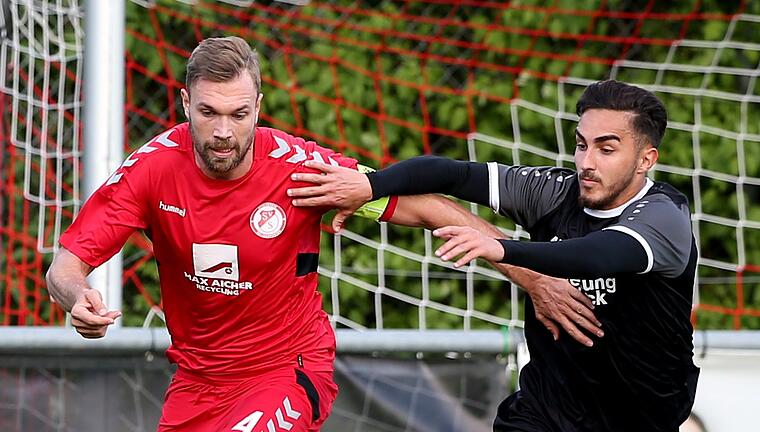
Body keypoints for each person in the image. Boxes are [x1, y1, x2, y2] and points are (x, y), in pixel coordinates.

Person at [45, 36, 600, 432]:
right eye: (208, 112)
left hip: (286, 368)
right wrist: (78, 300)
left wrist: (533, 278)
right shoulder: (150, 170)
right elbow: (65, 266)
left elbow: (431, 208)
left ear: (258, 108)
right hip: (196, 383)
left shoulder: (301, 172)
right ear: (185, 103)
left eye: (238, 115)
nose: (222, 132)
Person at [288, 80, 700, 432]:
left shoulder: (665, 216)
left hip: (639, 415)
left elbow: (601, 255)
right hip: (545, 408)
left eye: (606, 150)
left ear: (646, 159)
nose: (586, 163)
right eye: (580, 145)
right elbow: (451, 174)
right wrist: (370, 186)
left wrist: (501, 249)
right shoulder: (553, 192)